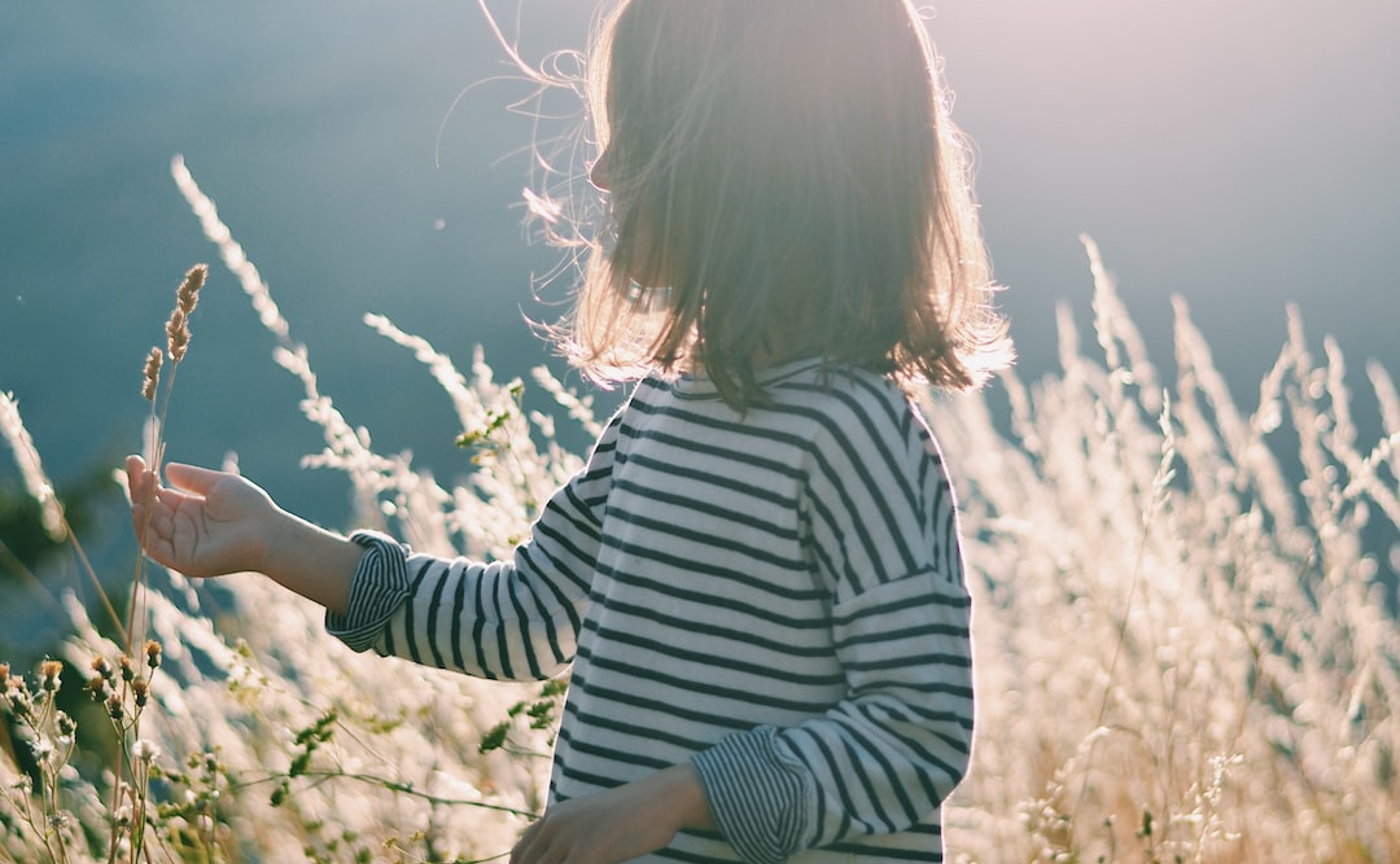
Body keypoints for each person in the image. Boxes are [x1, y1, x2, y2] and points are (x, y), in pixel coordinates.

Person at [127, 1, 1012, 862]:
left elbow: (919, 730)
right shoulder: (662, 413)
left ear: (751, 164)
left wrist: (677, 799)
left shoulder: (855, 437)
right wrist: (276, 544)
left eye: (639, 128)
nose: (601, 171)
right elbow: (522, 616)